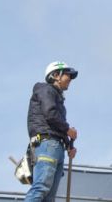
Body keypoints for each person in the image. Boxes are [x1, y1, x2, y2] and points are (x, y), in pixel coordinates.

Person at [24, 61, 79, 202]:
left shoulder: (56, 97)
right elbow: (50, 114)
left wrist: (68, 145)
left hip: (55, 145)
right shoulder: (45, 90)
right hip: (48, 145)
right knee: (41, 187)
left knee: (49, 198)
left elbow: (55, 126)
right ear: (56, 75)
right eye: (67, 75)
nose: (70, 80)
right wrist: (68, 129)